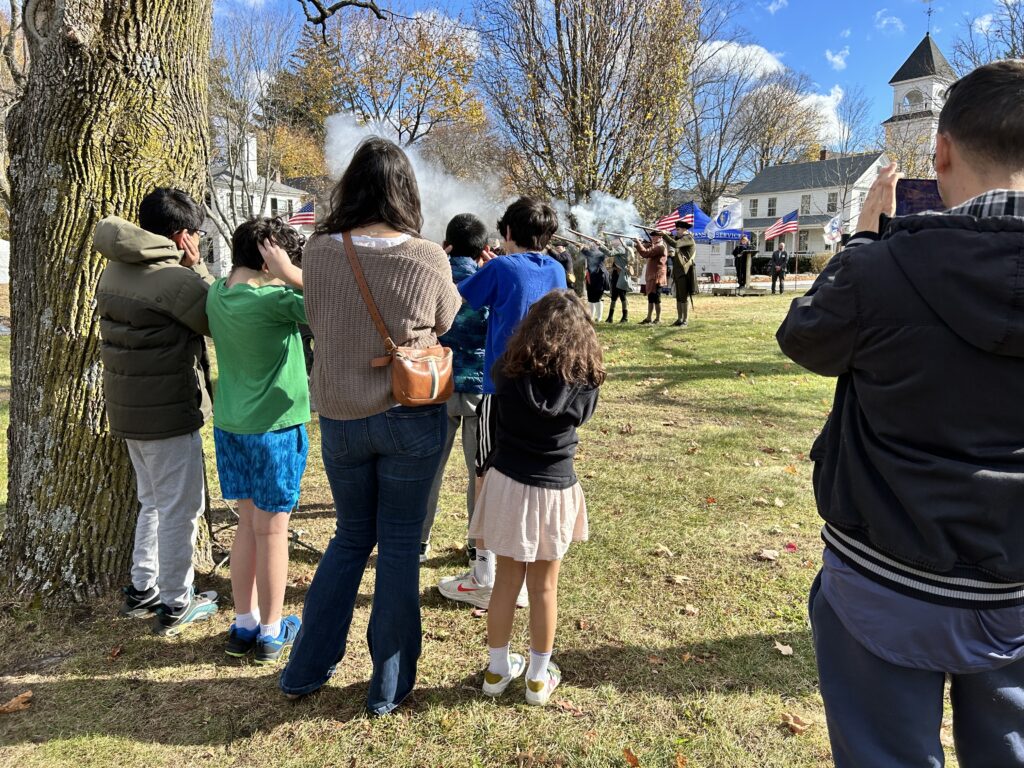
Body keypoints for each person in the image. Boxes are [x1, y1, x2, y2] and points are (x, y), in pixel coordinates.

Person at [777, 60, 1024, 767]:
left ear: (940, 151)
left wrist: (862, 237)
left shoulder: (878, 265)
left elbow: (804, 338)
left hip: (884, 577)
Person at [278, 137, 462, 715]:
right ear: (405, 191)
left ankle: (305, 668)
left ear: (350, 187)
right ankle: (387, 686)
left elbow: (316, 316)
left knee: (351, 538)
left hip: (341, 418)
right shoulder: (427, 256)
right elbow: (447, 319)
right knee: (401, 549)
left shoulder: (321, 251)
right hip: (411, 414)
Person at [94, 188, 219, 636]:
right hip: (168, 411)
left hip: (128, 410)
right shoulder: (175, 280)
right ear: (183, 234)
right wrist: (198, 266)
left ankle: (142, 587)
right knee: (182, 508)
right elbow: (218, 317)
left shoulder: (115, 267)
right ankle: (176, 601)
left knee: (152, 502)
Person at [471, 290, 603, 706]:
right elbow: (582, 414)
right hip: (555, 487)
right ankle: (538, 678)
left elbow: (495, 410)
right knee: (545, 588)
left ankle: (496, 670)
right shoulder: (586, 379)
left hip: (509, 483)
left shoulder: (507, 371)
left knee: (506, 583)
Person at [437, 196, 567, 609]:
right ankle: (521, 569)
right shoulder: (558, 269)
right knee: (525, 477)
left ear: (507, 231)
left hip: (502, 390)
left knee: (486, 476)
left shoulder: (500, 267)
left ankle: (484, 572)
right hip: (545, 390)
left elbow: (454, 302)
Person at [206, 216, 308, 664]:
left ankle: (244, 623)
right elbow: (333, 300)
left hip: (232, 425)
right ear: (270, 259)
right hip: (276, 428)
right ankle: (271, 630)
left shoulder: (217, 294)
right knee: (273, 530)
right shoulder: (278, 300)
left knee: (247, 527)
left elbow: (210, 280)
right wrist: (291, 274)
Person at [420, 214, 491, 564]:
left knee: (429, 468)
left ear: (447, 243)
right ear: (483, 248)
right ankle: (477, 543)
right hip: (479, 384)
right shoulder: (490, 281)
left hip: (437, 382)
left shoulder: (431, 277)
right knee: (478, 472)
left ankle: (419, 539)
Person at [662, 220, 697, 326]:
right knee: (678, 296)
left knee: (683, 296)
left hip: (684, 271)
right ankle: (679, 319)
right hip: (678, 271)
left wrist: (665, 235)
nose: (676, 231)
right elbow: (675, 241)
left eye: (678, 229)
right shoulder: (682, 238)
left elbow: (676, 244)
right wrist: (668, 235)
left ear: (684, 229)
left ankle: (685, 320)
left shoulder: (688, 238)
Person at [635, 231, 668, 324]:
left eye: (655, 237)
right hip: (652, 276)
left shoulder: (660, 247)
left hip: (657, 276)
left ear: (660, 237)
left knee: (657, 298)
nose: (653, 238)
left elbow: (645, 253)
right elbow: (645, 249)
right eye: (652, 237)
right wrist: (640, 243)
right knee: (651, 297)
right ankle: (649, 318)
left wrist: (638, 243)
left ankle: (658, 318)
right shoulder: (655, 246)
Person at [605, 237, 632, 323]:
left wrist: (600, 246)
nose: (612, 241)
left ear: (618, 240)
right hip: (616, 275)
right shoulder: (619, 248)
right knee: (614, 297)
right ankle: (610, 317)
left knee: (622, 296)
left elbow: (610, 253)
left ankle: (625, 317)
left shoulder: (621, 248)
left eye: (613, 239)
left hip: (621, 276)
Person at [583, 241, 610, 321]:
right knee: (590, 299)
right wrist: (582, 247)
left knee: (598, 298)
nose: (592, 245)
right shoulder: (590, 252)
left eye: (594, 244)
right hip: (590, 277)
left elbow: (591, 254)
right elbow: (586, 253)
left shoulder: (601, 253)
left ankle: (599, 317)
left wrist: (583, 248)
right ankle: (591, 316)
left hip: (599, 277)